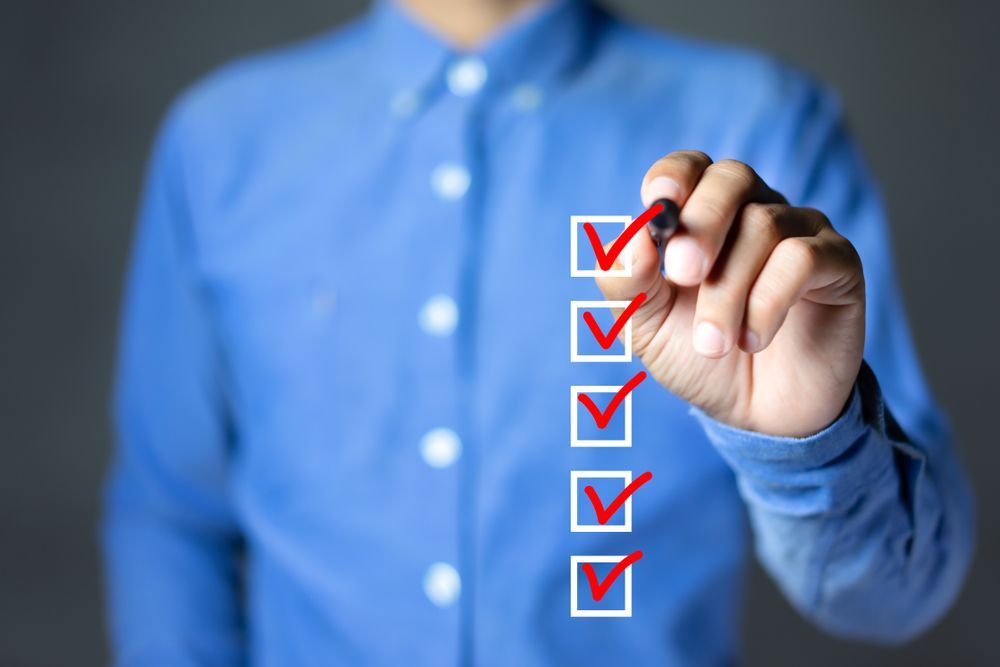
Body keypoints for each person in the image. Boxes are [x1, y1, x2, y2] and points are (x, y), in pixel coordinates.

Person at [102, 0, 975, 664]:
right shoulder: (216, 142)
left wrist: (806, 444)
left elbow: (896, 598)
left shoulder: (766, 124)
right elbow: (171, 510)